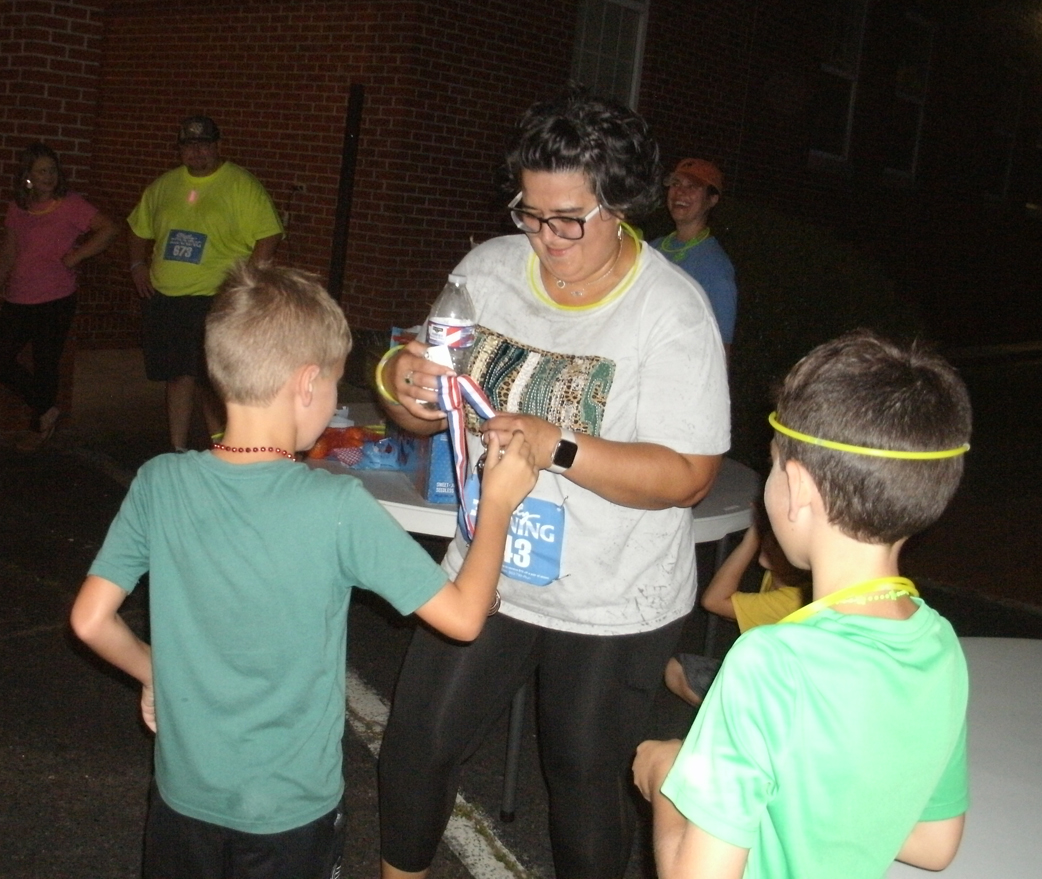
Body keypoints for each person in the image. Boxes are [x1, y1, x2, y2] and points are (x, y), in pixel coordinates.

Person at [69, 262, 538, 879]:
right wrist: (497, 502)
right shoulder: (335, 506)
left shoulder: (160, 481)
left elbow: (90, 619)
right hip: (288, 813)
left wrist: (153, 670)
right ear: (308, 383)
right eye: (338, 384)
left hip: (182, 801)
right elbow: (464, 617)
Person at [375, 89, 730, 879]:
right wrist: (404, 384)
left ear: (621, 202)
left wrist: (558, 445)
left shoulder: (671, 312)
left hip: (613, 594)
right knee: (415, 747)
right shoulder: (487, 271)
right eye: (530, 213)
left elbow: (688, 475)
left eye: (568, 219)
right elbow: (423, 407)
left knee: (581, 781)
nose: (544, 237)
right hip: (489, 567)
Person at [634, 329, 972, 879]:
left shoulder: (771, 662)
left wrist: (667, 778)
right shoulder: (939, 645)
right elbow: (934, 845)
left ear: (796, 487)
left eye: (770, 466)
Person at [127, 115, 284, 451]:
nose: (197, 152)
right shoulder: (164, 185)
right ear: (180, 150)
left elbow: (269, 235)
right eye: (189, 145)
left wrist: (246, 282)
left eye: (204, 145)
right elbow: (138, 228)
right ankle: (177, 448)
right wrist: (137, 264)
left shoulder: (240, 184)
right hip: (167, 296)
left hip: (213, 297)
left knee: (210, 378)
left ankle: (222, 449)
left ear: (217, 146)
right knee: (177, 375)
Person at [0, 142, 117, 446]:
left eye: (52, 170)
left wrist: (76, 256)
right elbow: (10, 249)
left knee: (46, 363)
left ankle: (39, 427)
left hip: (55, 297)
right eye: (41, 171)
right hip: (18, 296)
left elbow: (108, 229)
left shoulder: (70, 204)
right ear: (27, 176)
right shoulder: (18, 207)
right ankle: (47, 409)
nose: (49, 177)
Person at [664, 502, 809, 706]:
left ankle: (744, 721)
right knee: (678, 670)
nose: (768, 538)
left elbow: (713, 601)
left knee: (677, 670)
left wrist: (752, 538)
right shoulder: (782, 578)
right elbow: (731, 611)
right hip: (774, 674)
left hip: (782, 693)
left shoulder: (790, 600)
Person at [650, 158, 738, 354]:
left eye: (692, 186)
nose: (680, 192)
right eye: (676, 184)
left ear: (712, 199)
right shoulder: (652, 249)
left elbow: (721, 348)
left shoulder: (716, 266)